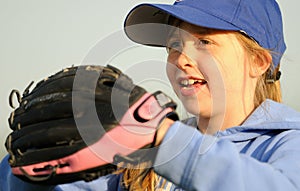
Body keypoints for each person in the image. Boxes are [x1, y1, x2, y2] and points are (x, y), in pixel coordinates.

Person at [1, 0, 300, 190]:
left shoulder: (287, 144)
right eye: (174, 45)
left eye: (205, 42)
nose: (182, 58)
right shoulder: (143, 153)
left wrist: (163, 137)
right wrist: (29, 172)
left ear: (258, 62)